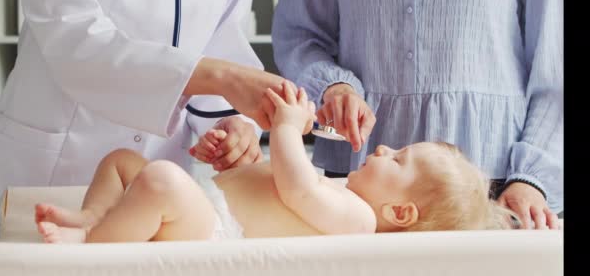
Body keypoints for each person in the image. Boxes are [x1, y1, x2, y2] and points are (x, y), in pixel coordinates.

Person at [0, 0, 286, 225]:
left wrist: (231, 124)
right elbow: (73, 41)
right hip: (49, 176)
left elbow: (223, 39)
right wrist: (223, 79)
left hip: (155, 191)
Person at [271, 0, 563, 229]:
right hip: (359, 186)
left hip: (500, 187)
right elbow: (299, 35)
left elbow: (556, 60)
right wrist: (334, 87)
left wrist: (532, 179)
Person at [34, 82, 517, 244]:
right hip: (208, 199)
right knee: (123, 161)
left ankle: (91, 246)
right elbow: (268, 181)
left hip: (214, 231)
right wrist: (227, 160)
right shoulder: (344, 187)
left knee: (159, 179)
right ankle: (95, 217)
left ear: (401, 213)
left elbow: (296, 190)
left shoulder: (358, 220)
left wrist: (286, 128)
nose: (384, 149)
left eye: (399, 160)